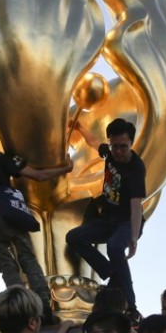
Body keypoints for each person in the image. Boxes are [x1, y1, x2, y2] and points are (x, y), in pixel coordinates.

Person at [0, 149, 73, 322]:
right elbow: (38, 175)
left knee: (6, 267)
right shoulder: (2, 159)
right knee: (27, 258)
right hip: (7, 213)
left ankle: (20, 306)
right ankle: (43, 305)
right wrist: (65, 169)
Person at [66, 118, 146, 314]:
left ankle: (131, 305)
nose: (118, 151)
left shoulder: (136, 168)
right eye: (114, 146)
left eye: (123, 147)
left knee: (114, 246)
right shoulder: (109, 154)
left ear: (131, 144)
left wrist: (134, 238)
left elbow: (136, 205)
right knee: (74, 237)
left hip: (127, 222)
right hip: (107, 221)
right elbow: (94, 143)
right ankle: (110, 272)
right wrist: (80, 127)